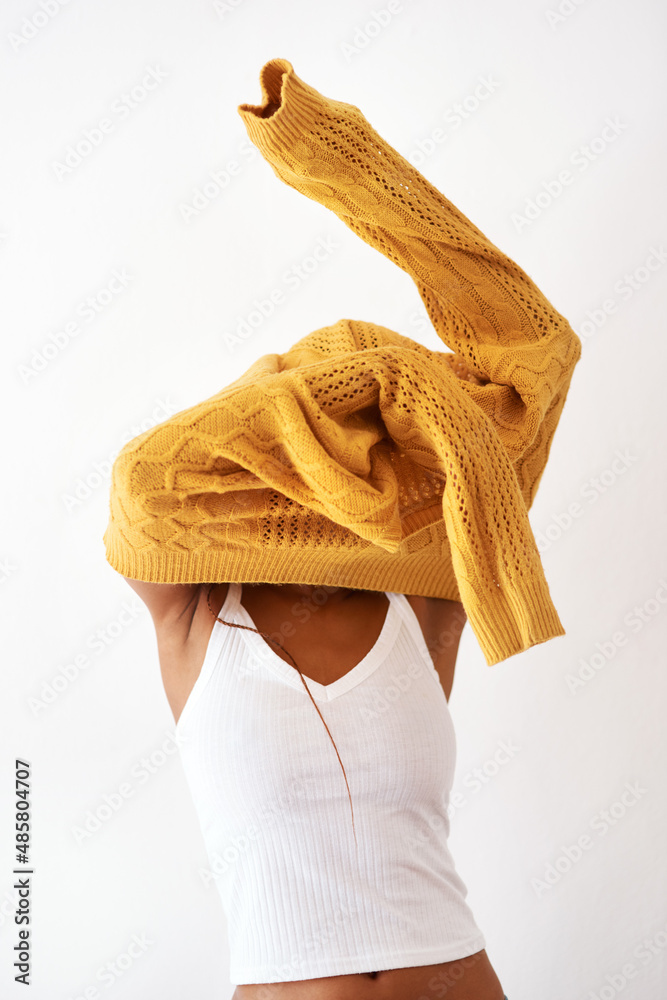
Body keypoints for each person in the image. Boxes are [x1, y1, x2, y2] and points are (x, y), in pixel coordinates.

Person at [106, 57, 581, 1000]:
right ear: (270, 434)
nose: (350, 445)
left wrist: (324, 147)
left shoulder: (427, 585)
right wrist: (327, 381)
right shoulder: (190, 603)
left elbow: (535, 351)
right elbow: (145, 471)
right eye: (326, 425)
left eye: (365, 419)